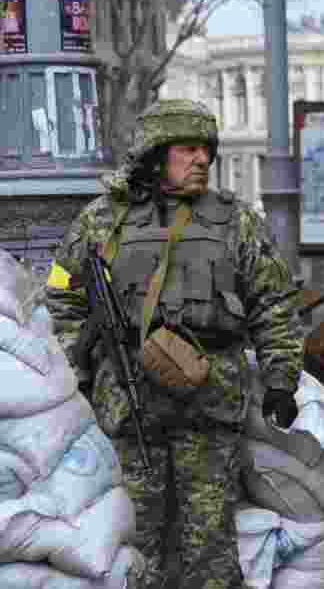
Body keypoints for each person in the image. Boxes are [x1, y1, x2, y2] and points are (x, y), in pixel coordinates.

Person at [45, 99, 305, 588]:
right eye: (187, 149)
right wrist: (76, 371)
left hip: (209, 404)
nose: (202, 159)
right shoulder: (102, 221)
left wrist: (280, 379)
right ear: (155, 154)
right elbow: (62, 297)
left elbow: (274, 303)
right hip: (129, 406)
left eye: (206, 149)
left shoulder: (235, 221)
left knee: (209, 546)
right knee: (135, 541)